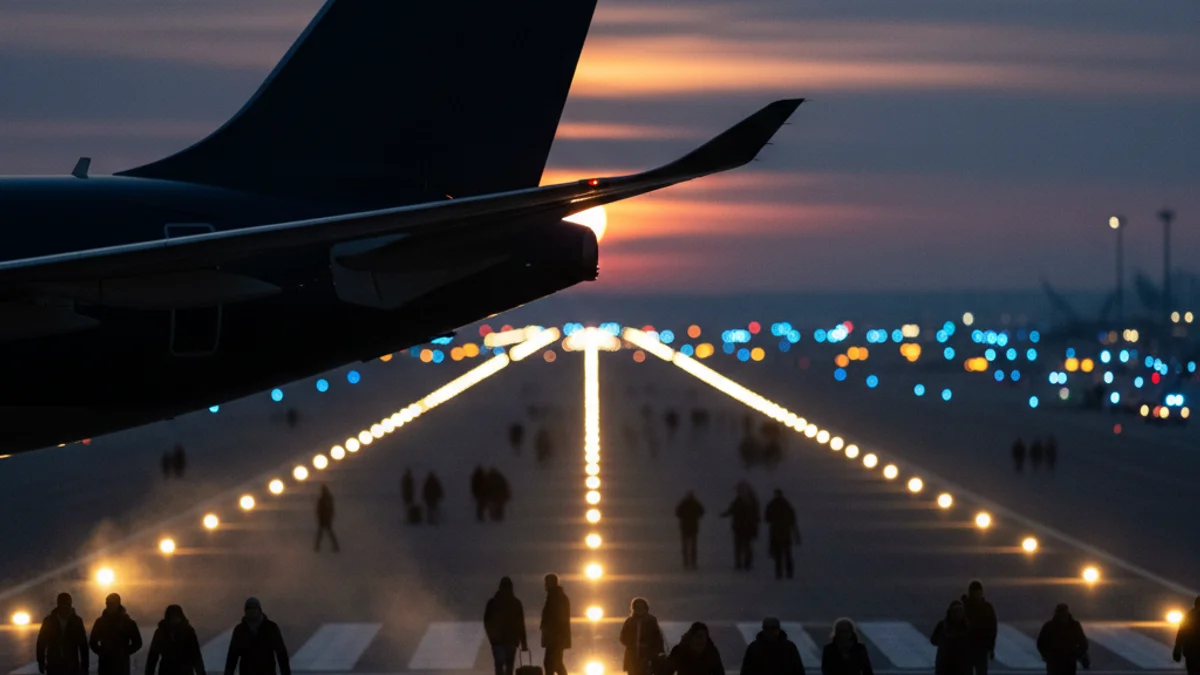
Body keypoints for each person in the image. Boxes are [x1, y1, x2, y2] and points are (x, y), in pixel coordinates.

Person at [224, 598, 290, 675]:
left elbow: (281, 654)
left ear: (259, 610)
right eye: (249, 608)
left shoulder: (271, 628)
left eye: (254, 608)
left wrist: (285, 672)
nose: (251, 611)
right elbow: (232, 656)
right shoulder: (240, 630)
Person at [89, 593, 143, 675]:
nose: (109, 606)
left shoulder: (127, 622)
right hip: (105, 666)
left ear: (118, 604)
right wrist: (102, 652)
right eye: (107, 603)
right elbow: (93, 641)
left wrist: (124, 652)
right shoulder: (101, 622)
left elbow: (138, 642)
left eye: (112, 603)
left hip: (121, 667)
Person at [484, 577, 528, 675]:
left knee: (499, 666)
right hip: (511, 641)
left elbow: (487, 621)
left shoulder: (492, 603)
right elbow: (520, 624)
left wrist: (492, 638)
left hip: (498, 642)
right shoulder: (516, 603)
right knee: (509, 667)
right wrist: (523, 643)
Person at [37, 592, 89, 675]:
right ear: (59, 605)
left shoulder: (76, 621)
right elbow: (41, 643)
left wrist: (85, 666)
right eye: (63, 604)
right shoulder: (49, 621)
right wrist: (41, 661)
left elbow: (83, 645)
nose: (66, 607)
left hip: (71, 665)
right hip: (54, 664)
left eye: (67, 604)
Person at [145, 605, 205, 675]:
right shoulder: (162, 632)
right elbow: (153, 656)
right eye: (173, 616)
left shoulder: (188, 631)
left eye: (176, 616)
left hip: (182, 670)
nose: (175, 619)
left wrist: (201, 672)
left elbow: (195, 654)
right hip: (170, 670)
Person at [739, 617, 805, 675]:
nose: (772, 632)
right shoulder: (789, 647)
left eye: (774, 629)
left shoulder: (754, 647)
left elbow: (798, 669)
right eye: (769, 630)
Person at [1036, 604, 1088, 675]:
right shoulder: (1074, 626)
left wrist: (1047, 656)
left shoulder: (1049, 626)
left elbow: (1041, 643)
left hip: (1056, 663)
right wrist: (1075, 655)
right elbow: (1083, 644)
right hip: (1065, 662)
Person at [619, 598, 665, 675]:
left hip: (648, 656)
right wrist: (632, 644)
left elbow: (658, 637)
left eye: (641, 607)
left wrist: (659, 652)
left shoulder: (651, 620)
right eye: (637, 607)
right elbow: (622, 637)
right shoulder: (629, 621)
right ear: (633, 608)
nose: (639, 609)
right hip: (632, 656)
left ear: (646, 608)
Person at [763, 490, 801, 580]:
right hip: (785, 533)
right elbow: (792, 521)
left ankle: (779, 573)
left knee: (778, 555)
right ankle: (789, 572)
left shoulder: (772, 505)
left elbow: (766, 519)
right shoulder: (787, 505)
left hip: (776, 533)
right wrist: (795, 534)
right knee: (787, 554)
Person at [962, 581, 997, 675]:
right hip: (972, 647)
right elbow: (992, 628)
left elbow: (992, 629)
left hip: (977, 647)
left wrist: (991, 647)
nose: (977, 596)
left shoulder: (965, 607)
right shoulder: (986, 607)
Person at [721, 486, 759, 571]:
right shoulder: (746, 501)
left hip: (742, 528)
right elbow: (731, 510)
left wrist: (724, 514)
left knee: (742, 547)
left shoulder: (742, 502)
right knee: (743, 547)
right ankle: (743, 564)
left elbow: (731, 510)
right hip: (742, 528)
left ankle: (742, 564)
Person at [540, 574, 571, 675]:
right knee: (554, 663)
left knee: (552, 663)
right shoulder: (556, 597)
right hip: (556, 637)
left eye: (547, 582)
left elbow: (558, 618)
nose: (545, 585)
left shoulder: (556, 597)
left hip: (555, 638)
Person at [931, 601, 972, 675]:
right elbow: (934, 640)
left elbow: (934, 640)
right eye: (956, 611)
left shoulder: (966, 625)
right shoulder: (966, 625)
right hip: (950, 663)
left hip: (955, 663)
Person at [675, 491, 705, 570]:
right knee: (692, 546)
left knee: (686, 546)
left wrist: (684, 516)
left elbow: (677, 513)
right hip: (692, 527)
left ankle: (686, 562)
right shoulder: (695, 503)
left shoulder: (684, 503)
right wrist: (696, 516)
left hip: (686, 527)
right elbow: (702, 511)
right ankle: (692, 562)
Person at [1173, 596, 1200, 673]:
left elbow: (1181, 634)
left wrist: (1177, 649)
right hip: (1192, 651)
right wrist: (1177, 649)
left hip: (1191, 651)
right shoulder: (1189, 616)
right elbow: (1182, 633)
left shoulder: (1189, 616)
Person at [314, 485, 339, 552]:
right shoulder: (325, 498)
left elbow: (328, 509)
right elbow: (319, 509)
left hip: (325, 518)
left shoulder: (326, 499)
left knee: (324, 532)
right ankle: (318, 546)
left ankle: (317, 547)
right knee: (324, 532)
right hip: (324, 518)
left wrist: (325, 516)